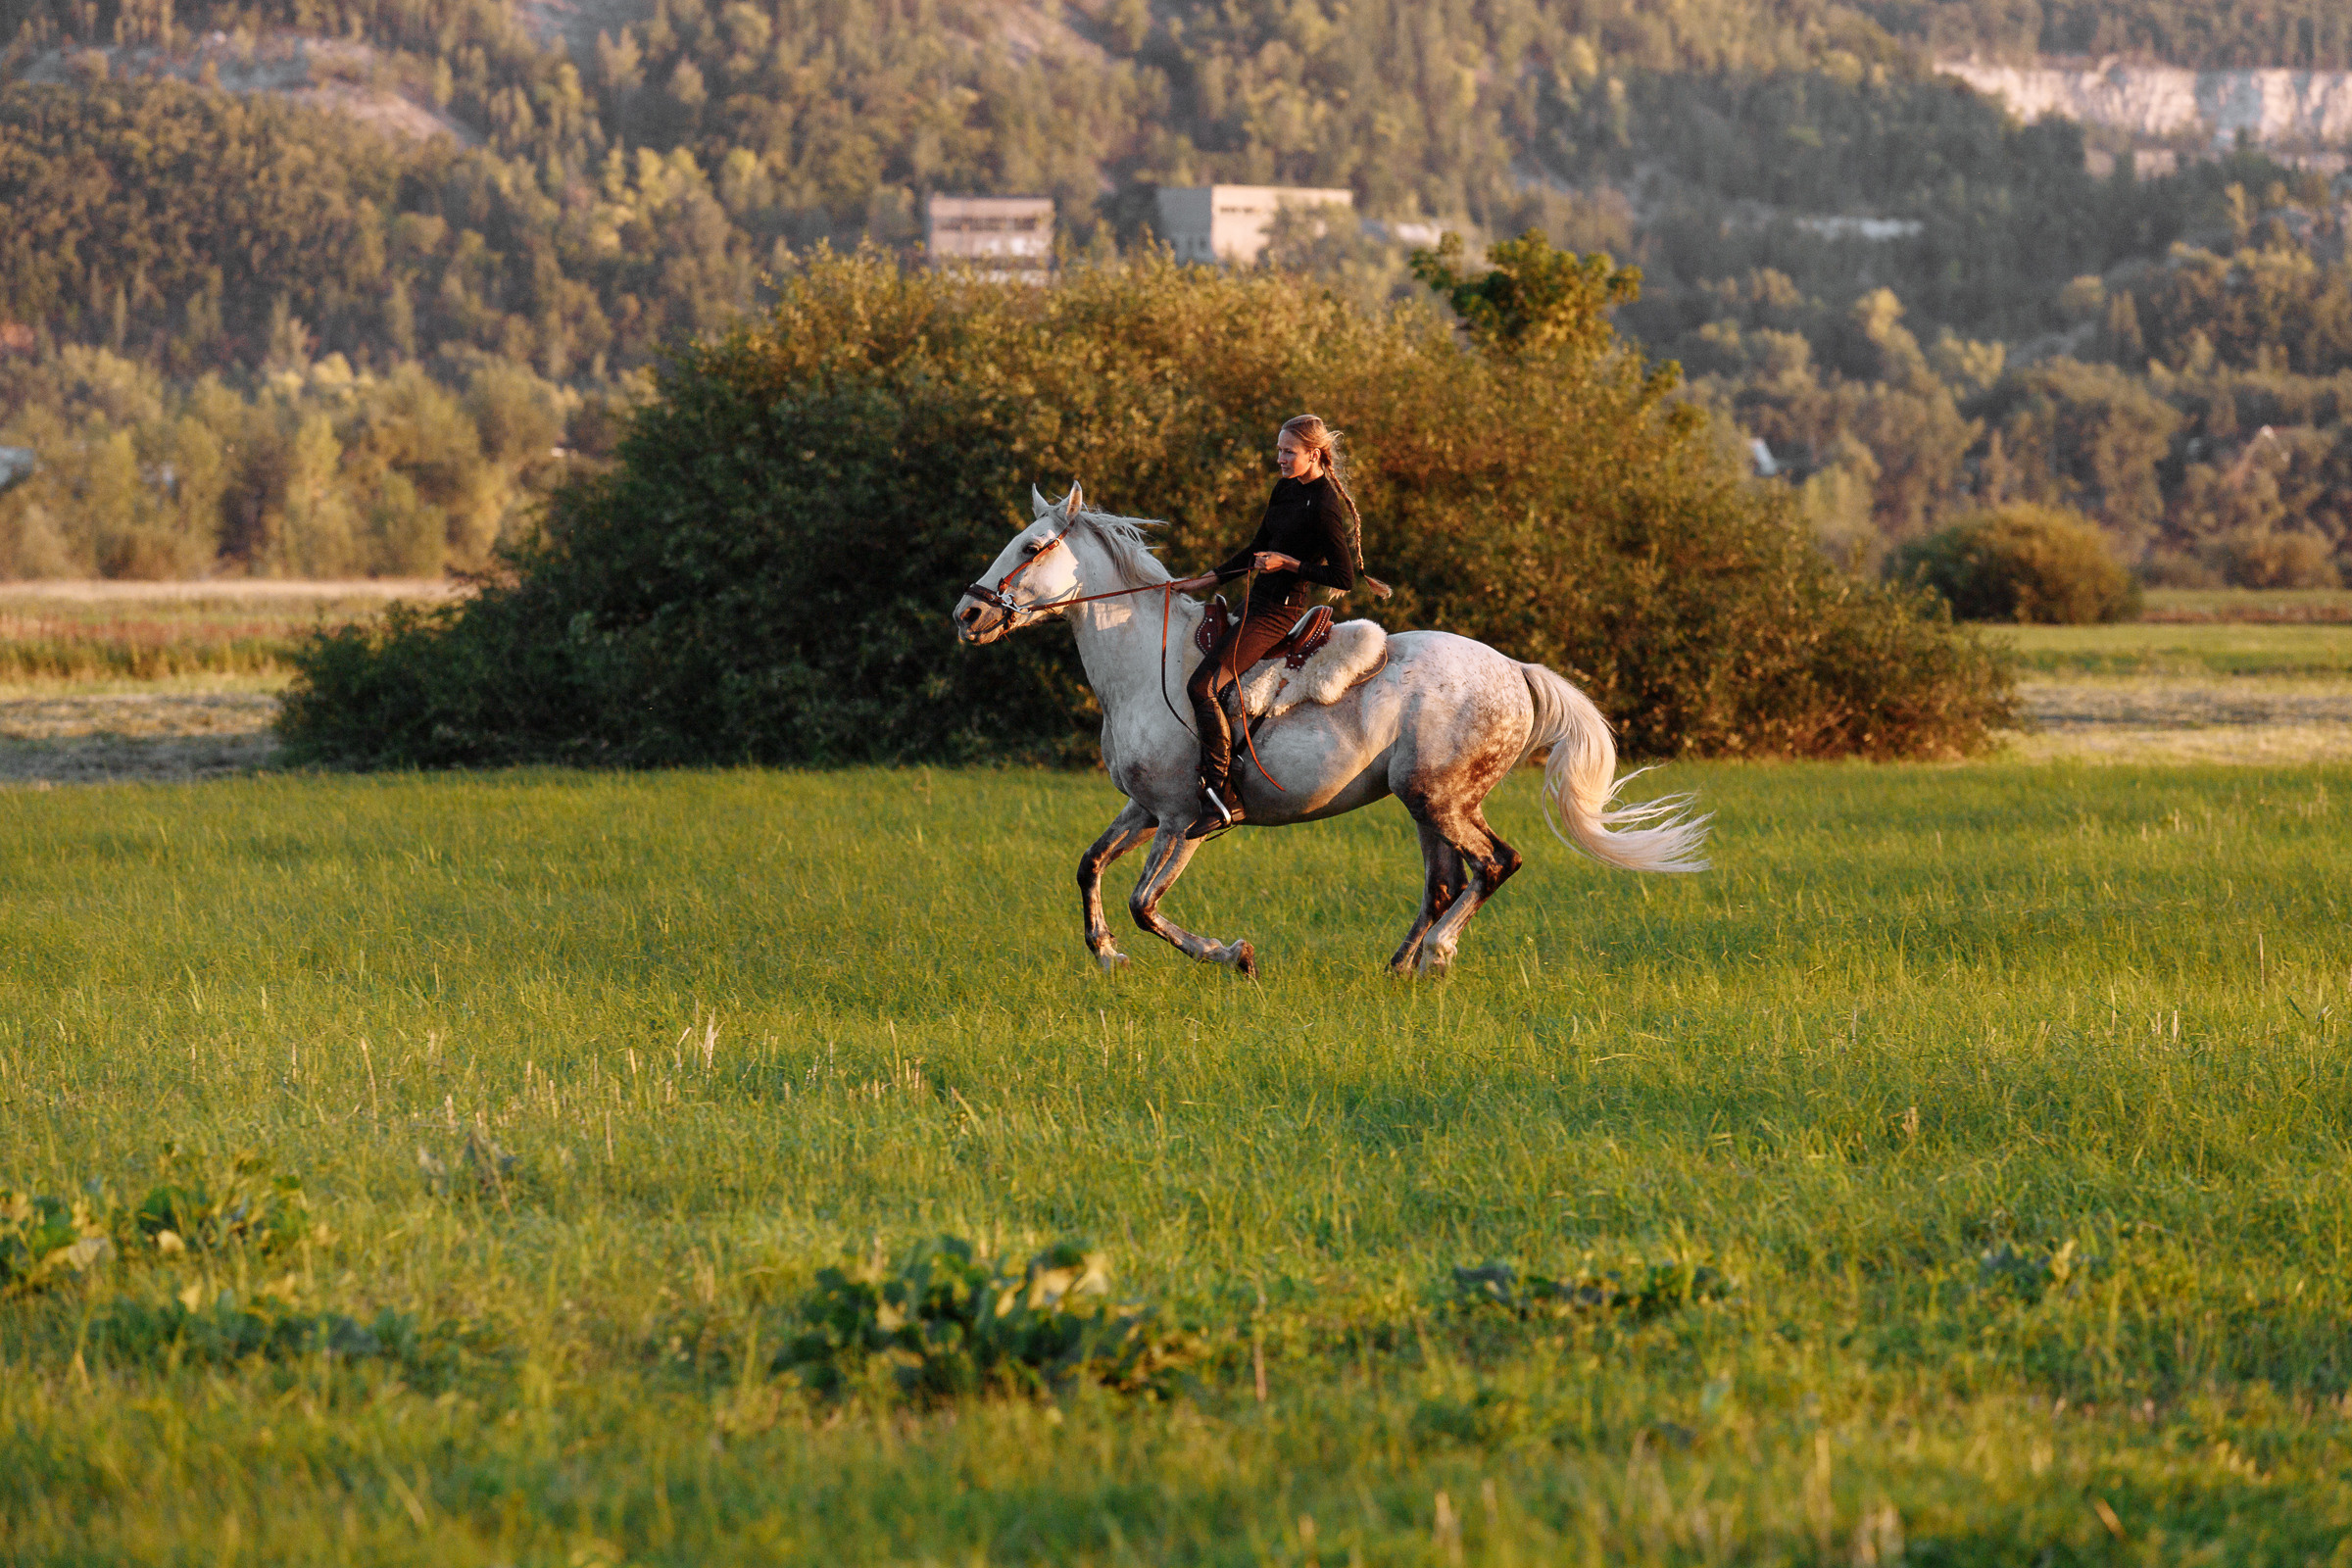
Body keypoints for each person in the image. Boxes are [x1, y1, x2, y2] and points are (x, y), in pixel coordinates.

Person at [1175, 414, 1381, 839]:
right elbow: (1255, 548)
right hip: (1254, 602)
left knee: (1202, 686)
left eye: (1288, 452)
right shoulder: (1285, 488)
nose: (1280, 459)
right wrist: (1208, 578)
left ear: (1313, 454)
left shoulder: (1325, 506)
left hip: (1278, 614)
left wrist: (1288, 563)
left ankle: (1221, 795)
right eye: (1279, 450)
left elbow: (1343, 578)